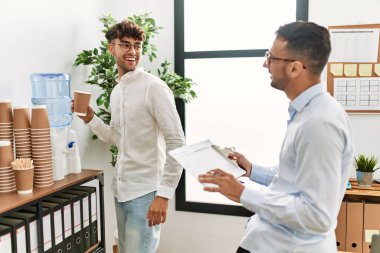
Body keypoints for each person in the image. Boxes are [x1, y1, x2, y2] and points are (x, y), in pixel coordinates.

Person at [198, 21, 354, 253]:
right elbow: (293, 181)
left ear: (295, 68)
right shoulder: (306, 113)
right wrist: (251, 170)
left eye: (271, 57)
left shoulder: (320, 123)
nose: (265, 64)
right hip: (267, 240)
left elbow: (317, 215)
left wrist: (244, 194)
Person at [74, 20, 185, 253]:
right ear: (111, 48)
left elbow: (177, 142)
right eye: (125, 45)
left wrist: (163, 195)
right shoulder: (117, 92)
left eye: (137, 46)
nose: (132, 51)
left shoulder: (154, 88)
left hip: (146, 193)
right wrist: (91, 119)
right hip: (122, 191)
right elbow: (118, 138)